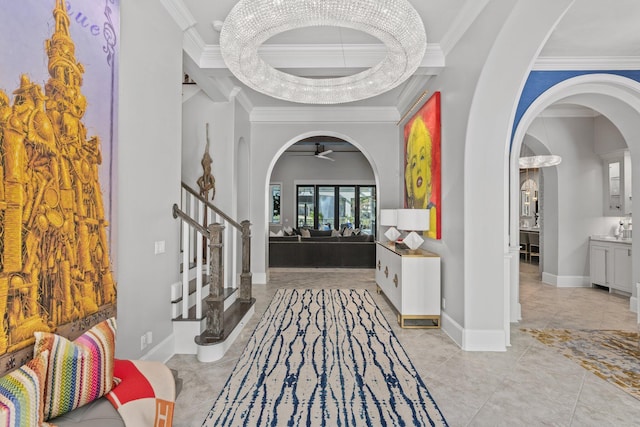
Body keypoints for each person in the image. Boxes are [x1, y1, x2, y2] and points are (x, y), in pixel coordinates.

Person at [405, 116, 437, 239]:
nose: (418, 168)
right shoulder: (410, 216)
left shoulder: (432, 214)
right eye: (413, 163)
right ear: (409, 178)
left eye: (422, 157)